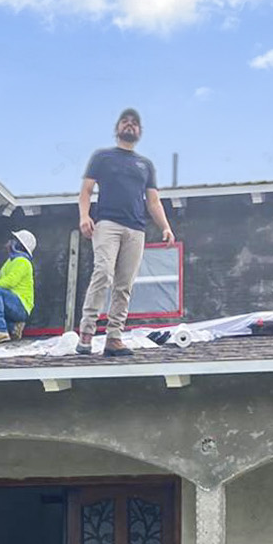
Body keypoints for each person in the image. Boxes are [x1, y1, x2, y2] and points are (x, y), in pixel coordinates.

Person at [76, 107, 175, 357]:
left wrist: (165, 227)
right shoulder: (102, 157)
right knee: (103, 273)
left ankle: (114, 337)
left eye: (134, 123)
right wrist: (85, 216)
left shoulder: (145, 165)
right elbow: (86, 190)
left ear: (139, 131)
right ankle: (87, 332)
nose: (129, 125)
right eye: (125, 121)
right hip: (107, 224)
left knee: (124, 285)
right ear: (117, 128)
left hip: (136, 229)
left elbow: (153, 201)